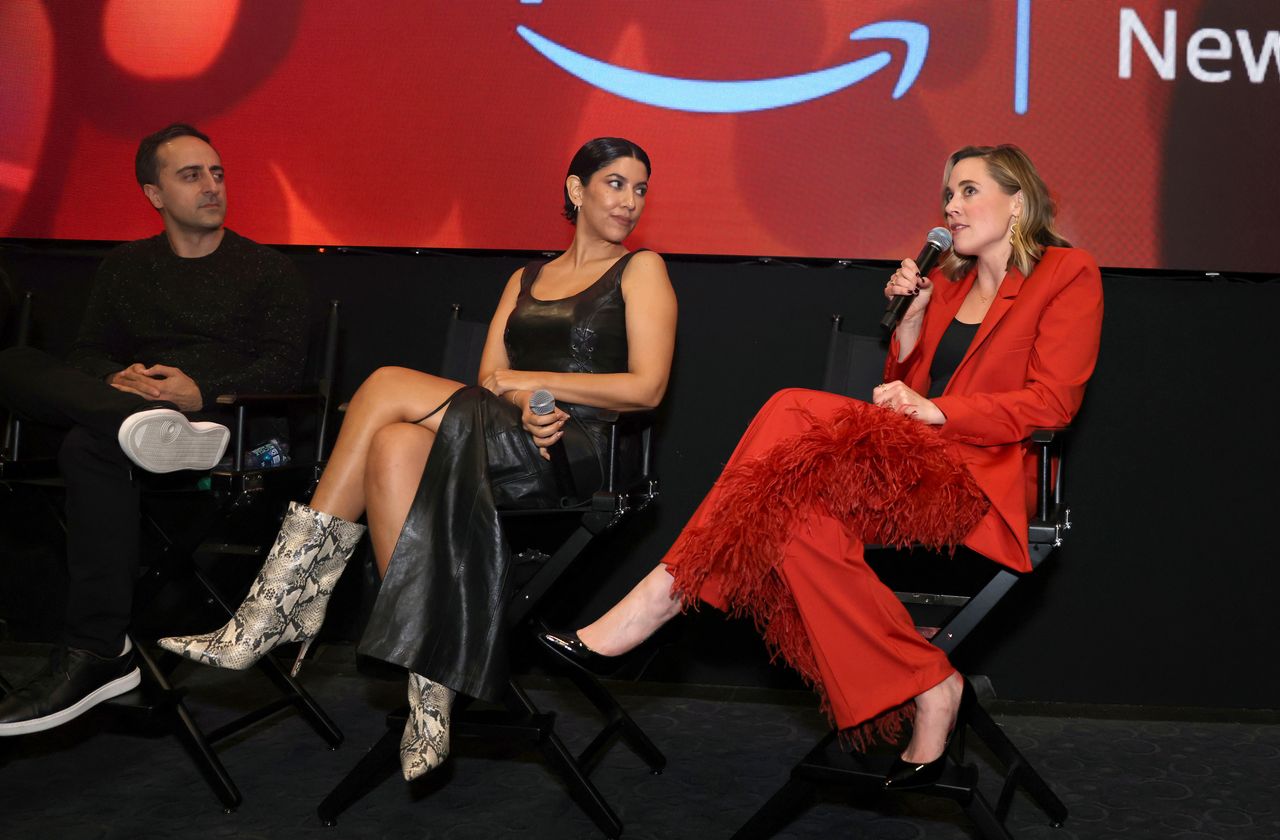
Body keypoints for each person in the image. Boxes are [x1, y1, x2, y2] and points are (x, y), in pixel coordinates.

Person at [540, 144, 1103, 788]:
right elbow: (910, 386)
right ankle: (934, 685)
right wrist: (912, 326)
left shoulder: (1067, 273)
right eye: (949, 192)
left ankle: (667, 593)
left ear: (1018, 201)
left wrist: (940, 413)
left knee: (790, 408)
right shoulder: (945, 284)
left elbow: (1051, 402)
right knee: (792, 525)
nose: (951, 205)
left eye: (969, 190)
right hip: (908, 470)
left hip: (980, 483)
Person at [159, 137, 678, 781]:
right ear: (576, 190)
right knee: (393, 443)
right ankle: (429, 683)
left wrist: (539, 389)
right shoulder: (525, 278)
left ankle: (278, 605)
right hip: (507, 433)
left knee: (381, 387)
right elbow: (489, 377)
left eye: (640, 189)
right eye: (615, 184)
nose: (629, 201)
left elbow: (647, 387)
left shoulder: (641, 270)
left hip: (575, 452)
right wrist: (520, 396)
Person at [0, 123, 307, 736]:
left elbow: (285, 367)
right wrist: (121, 380)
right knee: (12, 364)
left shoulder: (267, 270)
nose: (212, 185)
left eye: (217, 172)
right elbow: (88, 353)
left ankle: (96, 651)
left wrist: (200, 390)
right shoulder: (125, 268)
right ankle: (138, 424)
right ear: (154, 194)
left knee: (87, 445)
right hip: (137, 425)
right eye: (191, 175)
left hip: (225, 431)